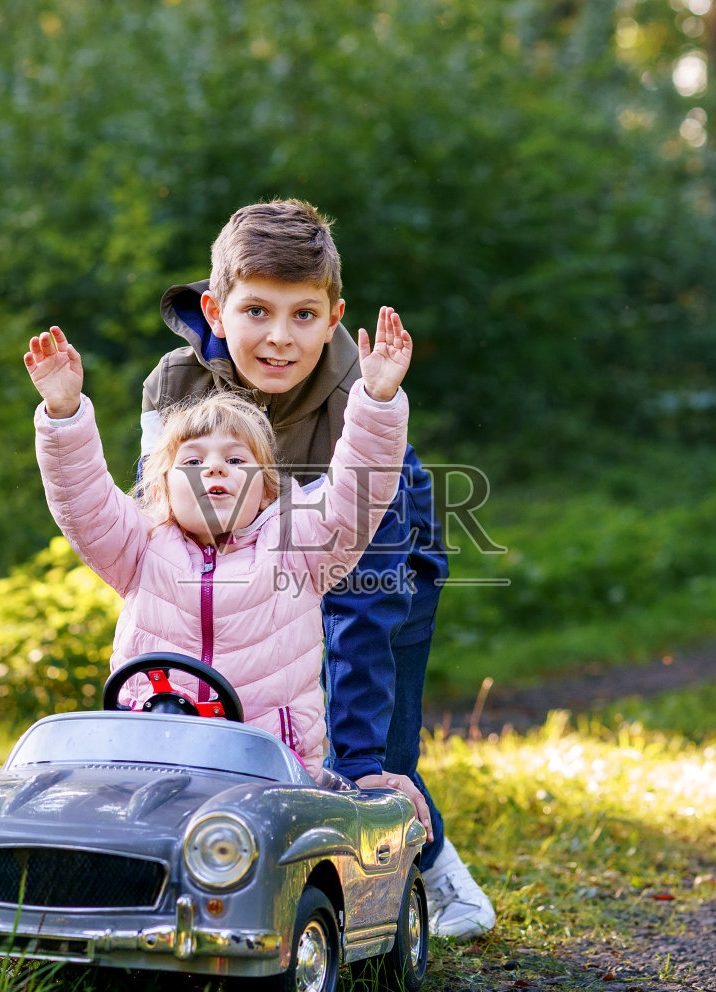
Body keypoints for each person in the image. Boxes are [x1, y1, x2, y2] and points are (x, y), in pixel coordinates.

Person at [136, 200, 495, 939]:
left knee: (374, 746)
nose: (279, 337)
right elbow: (162, 538)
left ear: (333, 319)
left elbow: (362, 610)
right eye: (257, 311)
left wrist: (358, 763)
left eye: (303, 315)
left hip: (383, 545)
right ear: (216, 309)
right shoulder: (174, 387)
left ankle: (439, 877)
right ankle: (211, 867)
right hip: (253, 551)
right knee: (242, 714)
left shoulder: (361, 392)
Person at [22, 318, 433, 835]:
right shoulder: (139, 548)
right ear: (163, 488)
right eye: (193, 461)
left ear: (266, 490)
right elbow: (83, 500)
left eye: (235, 460)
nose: (214, 469)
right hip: (149, 765)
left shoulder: (296, 547)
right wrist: (64, 414)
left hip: (271, 779)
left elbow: (355, 494)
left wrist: (376, 399)